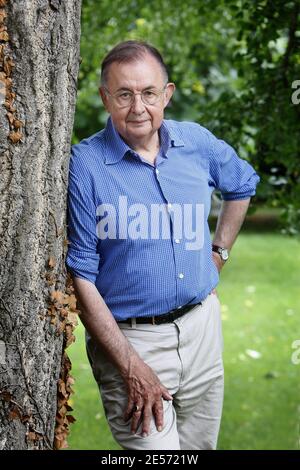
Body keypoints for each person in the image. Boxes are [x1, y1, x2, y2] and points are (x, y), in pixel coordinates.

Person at [66, 40, 260, 450]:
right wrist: (132, 366)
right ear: (105, 98)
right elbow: (80, 276)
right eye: (124, 94)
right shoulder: (84, 167)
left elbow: (242, 184)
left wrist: (218, 252)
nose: (138, 107)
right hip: (132, 343)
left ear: (167, 94)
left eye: (149, 93)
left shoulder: (196, 143)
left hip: (202, 329)